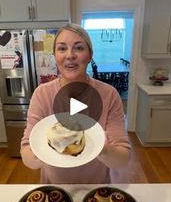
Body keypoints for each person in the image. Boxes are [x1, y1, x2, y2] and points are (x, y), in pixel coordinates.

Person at [21, 23, 130, 184]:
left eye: (79, 48)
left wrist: (104, 150)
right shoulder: (42, 94)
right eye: (62, 48)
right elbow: (26, 154)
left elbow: (122, 159)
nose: (70, 55)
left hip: (96, 193)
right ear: (55, 55)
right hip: (55, 192)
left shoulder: (109, 95)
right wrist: (40, 150)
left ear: (90, 55)